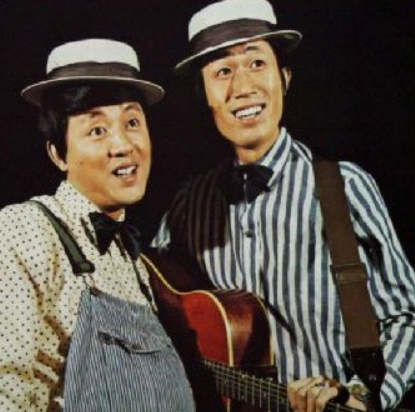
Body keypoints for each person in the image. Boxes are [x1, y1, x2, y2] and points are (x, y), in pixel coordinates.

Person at [152, 0, 415, 411]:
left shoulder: (344, 187)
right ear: (205, 95)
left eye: (256, 63)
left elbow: (407, 317)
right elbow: (148, 300)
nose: (243, 87)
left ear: (284, 78)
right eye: (222, 72)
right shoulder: (190, 203)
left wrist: (364, 396)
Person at [0, 38, 195, 412]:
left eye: (132, 122)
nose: (123, 145)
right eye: (97, 130)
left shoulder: (134, 262)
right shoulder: (25, 229)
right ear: (58, 153)